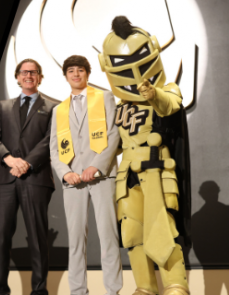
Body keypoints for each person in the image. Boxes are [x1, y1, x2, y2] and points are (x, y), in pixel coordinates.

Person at [100, 16, 189, 295]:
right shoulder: (120, 106)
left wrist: (153, 94)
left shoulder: (167, 89)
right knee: (132, 232)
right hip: (128, 174)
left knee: (164, 226)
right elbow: (113, 144)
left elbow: (170, 105)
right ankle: (145, 286)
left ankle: (175, 284)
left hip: (157, 169)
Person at [49, 55, 122, 295]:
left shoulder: (104, 97)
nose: (76, 74)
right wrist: (65, 173)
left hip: (102, 176)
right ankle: (78, 291)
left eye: (80, 70)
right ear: (65, 76)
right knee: (76, 240)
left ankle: (113, 290)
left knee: (108, 236)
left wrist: (96, 165)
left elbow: (113, 134)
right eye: (71, 70)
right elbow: (54, 149)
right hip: (73, 180)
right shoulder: (58, 110)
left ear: (87, 73)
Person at [0, 58, 58, 295]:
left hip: (36, 178)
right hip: (4, 179)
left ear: (40, 77)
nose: (28, 76)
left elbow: (51, 139)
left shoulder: (53, 108)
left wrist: (26, 163)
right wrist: (10, 159)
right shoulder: (3, 106)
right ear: (17, 77)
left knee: (37, 239)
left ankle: (39, 291)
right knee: (0, 239)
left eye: (33, 72)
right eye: (24, 72)